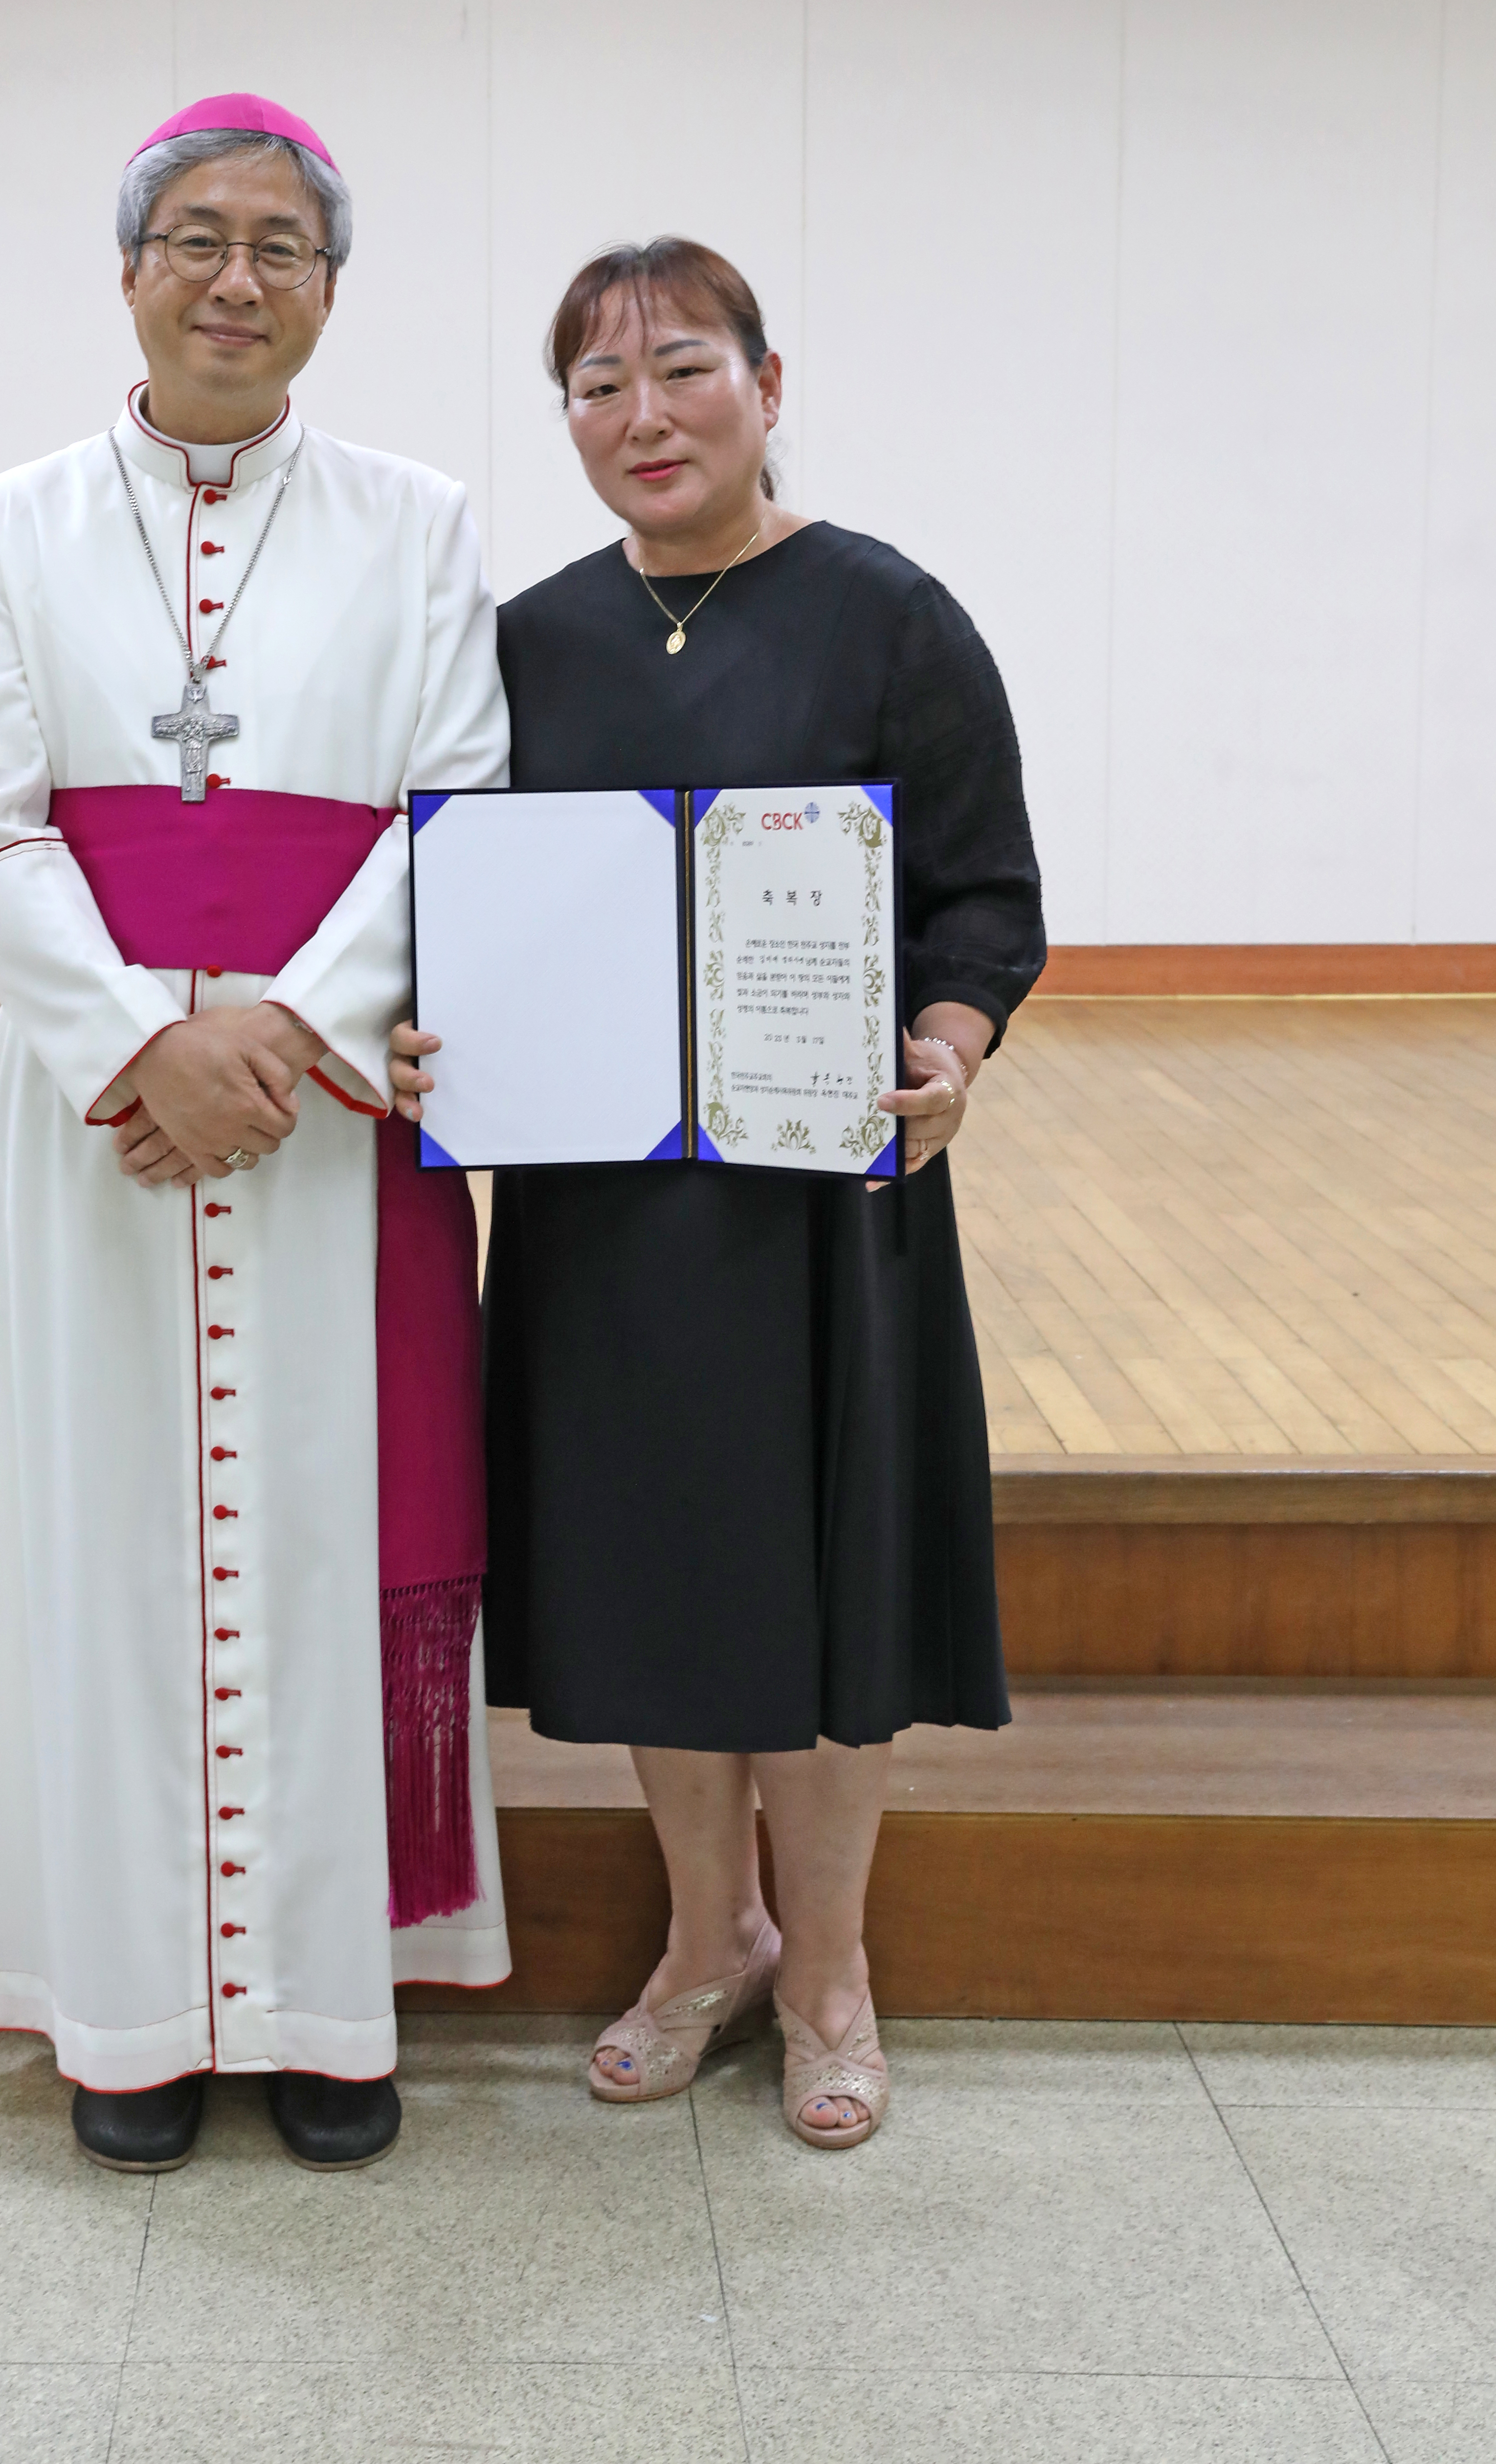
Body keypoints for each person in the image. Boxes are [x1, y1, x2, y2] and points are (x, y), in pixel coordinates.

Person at [0, 93, 513, 2178]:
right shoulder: (10, 525)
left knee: (326, 1538)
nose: (240, 279)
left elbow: (461, 810)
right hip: (98, 1133)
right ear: (132, 266)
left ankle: (334, 2010)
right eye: (201, 239)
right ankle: (128, 2012)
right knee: (110, 1539)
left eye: (285, 249)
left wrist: (286, 1034)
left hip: (325, 1132)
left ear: (332, 290)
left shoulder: (419, 522)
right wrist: (148, 1045)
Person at [393, 237, 1044, 2148]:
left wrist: (945, 1048)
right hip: (607, 1212)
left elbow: (984, 899)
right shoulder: (530, 639)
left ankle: (829, 1966)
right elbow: (470, 906)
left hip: (823, 1210)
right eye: (599, 387)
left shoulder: (889, 616)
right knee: (661, 1575)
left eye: (683, 369)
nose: (643, 415)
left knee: (822, 1592)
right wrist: (438, 1034)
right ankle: (708, 1938)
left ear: (770, 380)